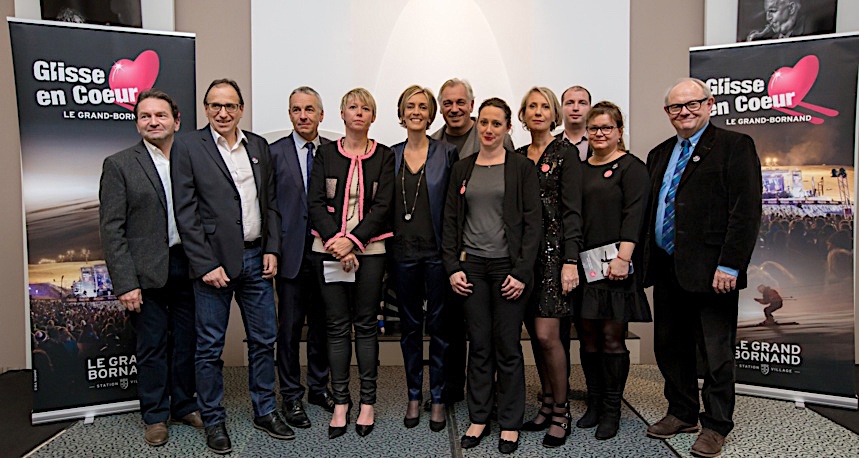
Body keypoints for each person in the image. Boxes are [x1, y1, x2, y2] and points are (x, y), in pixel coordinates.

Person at [172, 79, 294, 454]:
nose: (222, 113)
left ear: (241, 108)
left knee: (263, 340)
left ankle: (265, 409)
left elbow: (269, 201)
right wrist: (205, 263)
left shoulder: (257, 145)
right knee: (209, 347)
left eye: (230, 106)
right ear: (206, 108)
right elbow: (185, 212)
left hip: (257, 258)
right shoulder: (188, 146)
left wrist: (272, 247)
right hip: (213, 266)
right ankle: (213, 419)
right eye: (214, 106)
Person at [642, 78, 762, 458]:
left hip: (714, 273)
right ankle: (681, 412)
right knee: (670, 347)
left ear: (709, 104)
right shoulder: (659, 154)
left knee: (715, 353)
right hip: (667, 268)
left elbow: (745, 211)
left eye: (693, 104)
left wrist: (730, 264)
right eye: (676, 107)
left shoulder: (734, 147)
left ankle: (716, 425)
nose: (685, 112)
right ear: (667, 113)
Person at [99, 89, 201, 447]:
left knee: (188, 342)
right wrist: (125, 283)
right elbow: (112, 229)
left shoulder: (194, 159)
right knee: (152, 346)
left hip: (189, 266)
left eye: (160, 115)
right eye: (145, 116)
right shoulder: (119, 165)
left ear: (177, 121)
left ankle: (185, 404)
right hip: (145, 273)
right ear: (137, 122)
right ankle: (155, 415)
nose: (153, 121)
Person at [442, 97, 542, 454]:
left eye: (496, 124)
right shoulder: (463, 168)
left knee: (508, 347)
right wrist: (453, 267)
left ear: (508, 128)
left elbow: (533, 225)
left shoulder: (520, 168)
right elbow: (450, 222)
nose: (488, 129)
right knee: (479, 346)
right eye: (483, 122)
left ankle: (511, 422)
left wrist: (521, 272)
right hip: (472, 270)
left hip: (508, 271)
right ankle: (480, 416)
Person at [307, 88, 394, 440]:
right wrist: (336, 244)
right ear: (342, 114)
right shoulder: (325, 154)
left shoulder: (385, 156)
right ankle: (341, 401)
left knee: (366, 325)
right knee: (337, 326)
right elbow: (314, 202)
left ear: (373, 117)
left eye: (366, 108)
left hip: (370, 252)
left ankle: (368, 402)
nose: (359, 113)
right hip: (327, 249)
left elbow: (382, 207)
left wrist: (353, 242)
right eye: (352, 107)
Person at [430, 77, 514, 407]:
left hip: (488, 252)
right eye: (447, 103)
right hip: (449, 249)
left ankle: (489, 394)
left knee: (486, 333)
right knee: (449, 326)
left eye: (460, 102)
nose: (454, 108)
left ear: (471, 105)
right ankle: (451, 390)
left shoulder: (493, 142)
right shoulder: (432, 142)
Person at [577, 101, 651, 440]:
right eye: (594, 128)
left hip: (617, 267)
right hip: (585, 269)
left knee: (611, 339)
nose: (600, 133)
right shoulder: (581, 168)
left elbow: (635, 215)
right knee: (588, 338)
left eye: (607, 127)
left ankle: (611, 409)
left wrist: (623, 258)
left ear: (619, 131)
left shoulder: (631, 167)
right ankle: (593, 403)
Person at [515, 87, 583, 448]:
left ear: (554, 114)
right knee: (535, 339)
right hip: (524, 259)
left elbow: (573, 212)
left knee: (548, 336)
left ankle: (561, 411)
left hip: (556, 258)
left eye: (545, 107)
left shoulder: (566, 153)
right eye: (532, 107)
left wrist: (570, 261)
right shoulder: (515, 156)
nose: (538, 112)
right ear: (522, 115)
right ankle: (544, 404)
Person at [390, 85, 457, 432]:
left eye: (422, 106)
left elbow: (455, 209)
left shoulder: (446, 154)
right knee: (410, 330)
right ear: (401, 113)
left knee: (442, 330)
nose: (415, 111)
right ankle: (414, 395)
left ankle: (439, 396)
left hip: (437, 255)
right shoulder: (391, 155)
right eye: (409, 106)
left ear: (431, 114)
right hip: (402, 254)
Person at [269, 87, 335, 430]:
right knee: (290, 329)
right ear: (290, 114)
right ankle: (291, 394)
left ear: (321, 115)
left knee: (323, 326)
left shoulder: (334, 153)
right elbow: (267, 206)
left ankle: (318, 388)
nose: (303, 115)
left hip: (326, 253)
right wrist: (272, 249)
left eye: (310, 109)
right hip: (290, 255)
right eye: (297, 110)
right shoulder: (274, 153)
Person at [557, 85, 593, 161]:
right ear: (561, 108)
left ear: (590, 108)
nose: (575, 108)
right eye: (570, 103)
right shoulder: (550, 144)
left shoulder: (601, 142)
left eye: (582, 103)